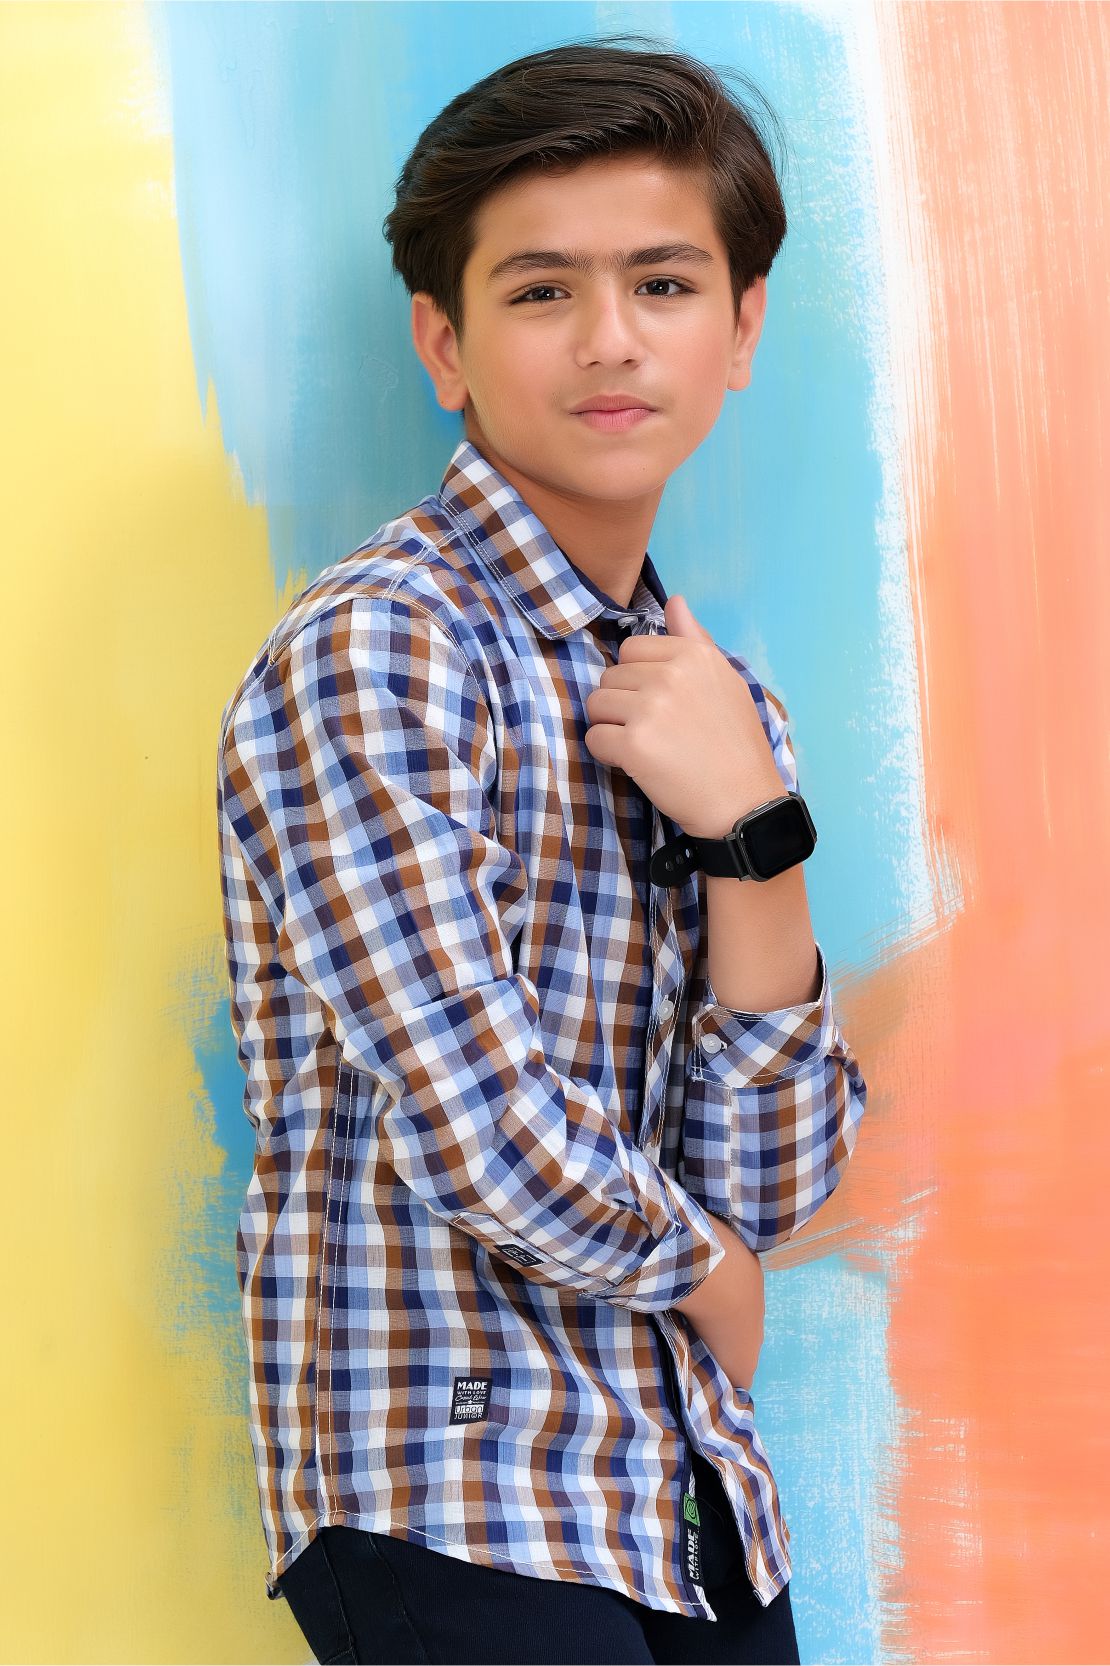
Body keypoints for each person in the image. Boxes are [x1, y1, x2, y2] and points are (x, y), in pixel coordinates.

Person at [216, 32, 868, 1666]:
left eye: (662, 283)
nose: (607, 339)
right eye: (539, 290)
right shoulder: (382, 646)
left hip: (687, 1497)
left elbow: (769, 1185)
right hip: (452, 1480)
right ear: (442, 342)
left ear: (741, 327)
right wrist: (702, 1269)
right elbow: (478, 1122)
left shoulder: (715, 706)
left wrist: (756, 834)